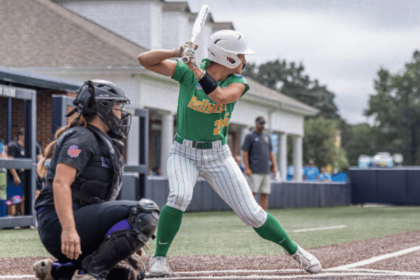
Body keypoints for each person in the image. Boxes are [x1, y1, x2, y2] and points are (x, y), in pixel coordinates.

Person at [138, 30, 321, 277]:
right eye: (240, 55)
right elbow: (144, 60)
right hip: (183, 152)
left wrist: (194, 68)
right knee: (179, 196)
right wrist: (177, 53)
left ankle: (295, 251)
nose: (244, 60)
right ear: (227, 57)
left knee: (252, 214)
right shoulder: (187, 72)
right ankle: (159, 259)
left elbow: (221, 97)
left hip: (218, 155)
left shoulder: (238, 82)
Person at [32, 80, 160, 280]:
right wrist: (68, 230)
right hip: (59, 225)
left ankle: (58, 271)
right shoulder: (82, 137)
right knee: (146, 211)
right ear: (104, 107)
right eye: (118, 106)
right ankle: (92, 273)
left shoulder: (102, 141)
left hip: (77, 223)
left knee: (130, 274)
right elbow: (60, 183)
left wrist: (128, 240)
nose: (121, 112)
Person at [242, 116, 276, 211]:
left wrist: (274, 166)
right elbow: (245, 152)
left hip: (265, 170)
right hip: (254, 170)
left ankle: (264, 217)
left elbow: (270, 152)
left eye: (264, 123)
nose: (262, 125)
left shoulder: (267, 137)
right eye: (260, 123)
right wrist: (247, 168)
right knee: (252, 193)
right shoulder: (250, 136)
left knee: (265, 193)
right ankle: (250, 215)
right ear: (256, 123)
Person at [6, 129, 43, 213]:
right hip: (16, 177)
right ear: (20, 136)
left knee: (25, 199)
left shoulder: (34, 145)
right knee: (14, 199)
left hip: (30, 176)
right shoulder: (13, 145)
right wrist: (15, 176)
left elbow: (40, 160)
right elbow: (10, 162)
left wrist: (40, 173)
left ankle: (25, 220)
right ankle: (12, 222)